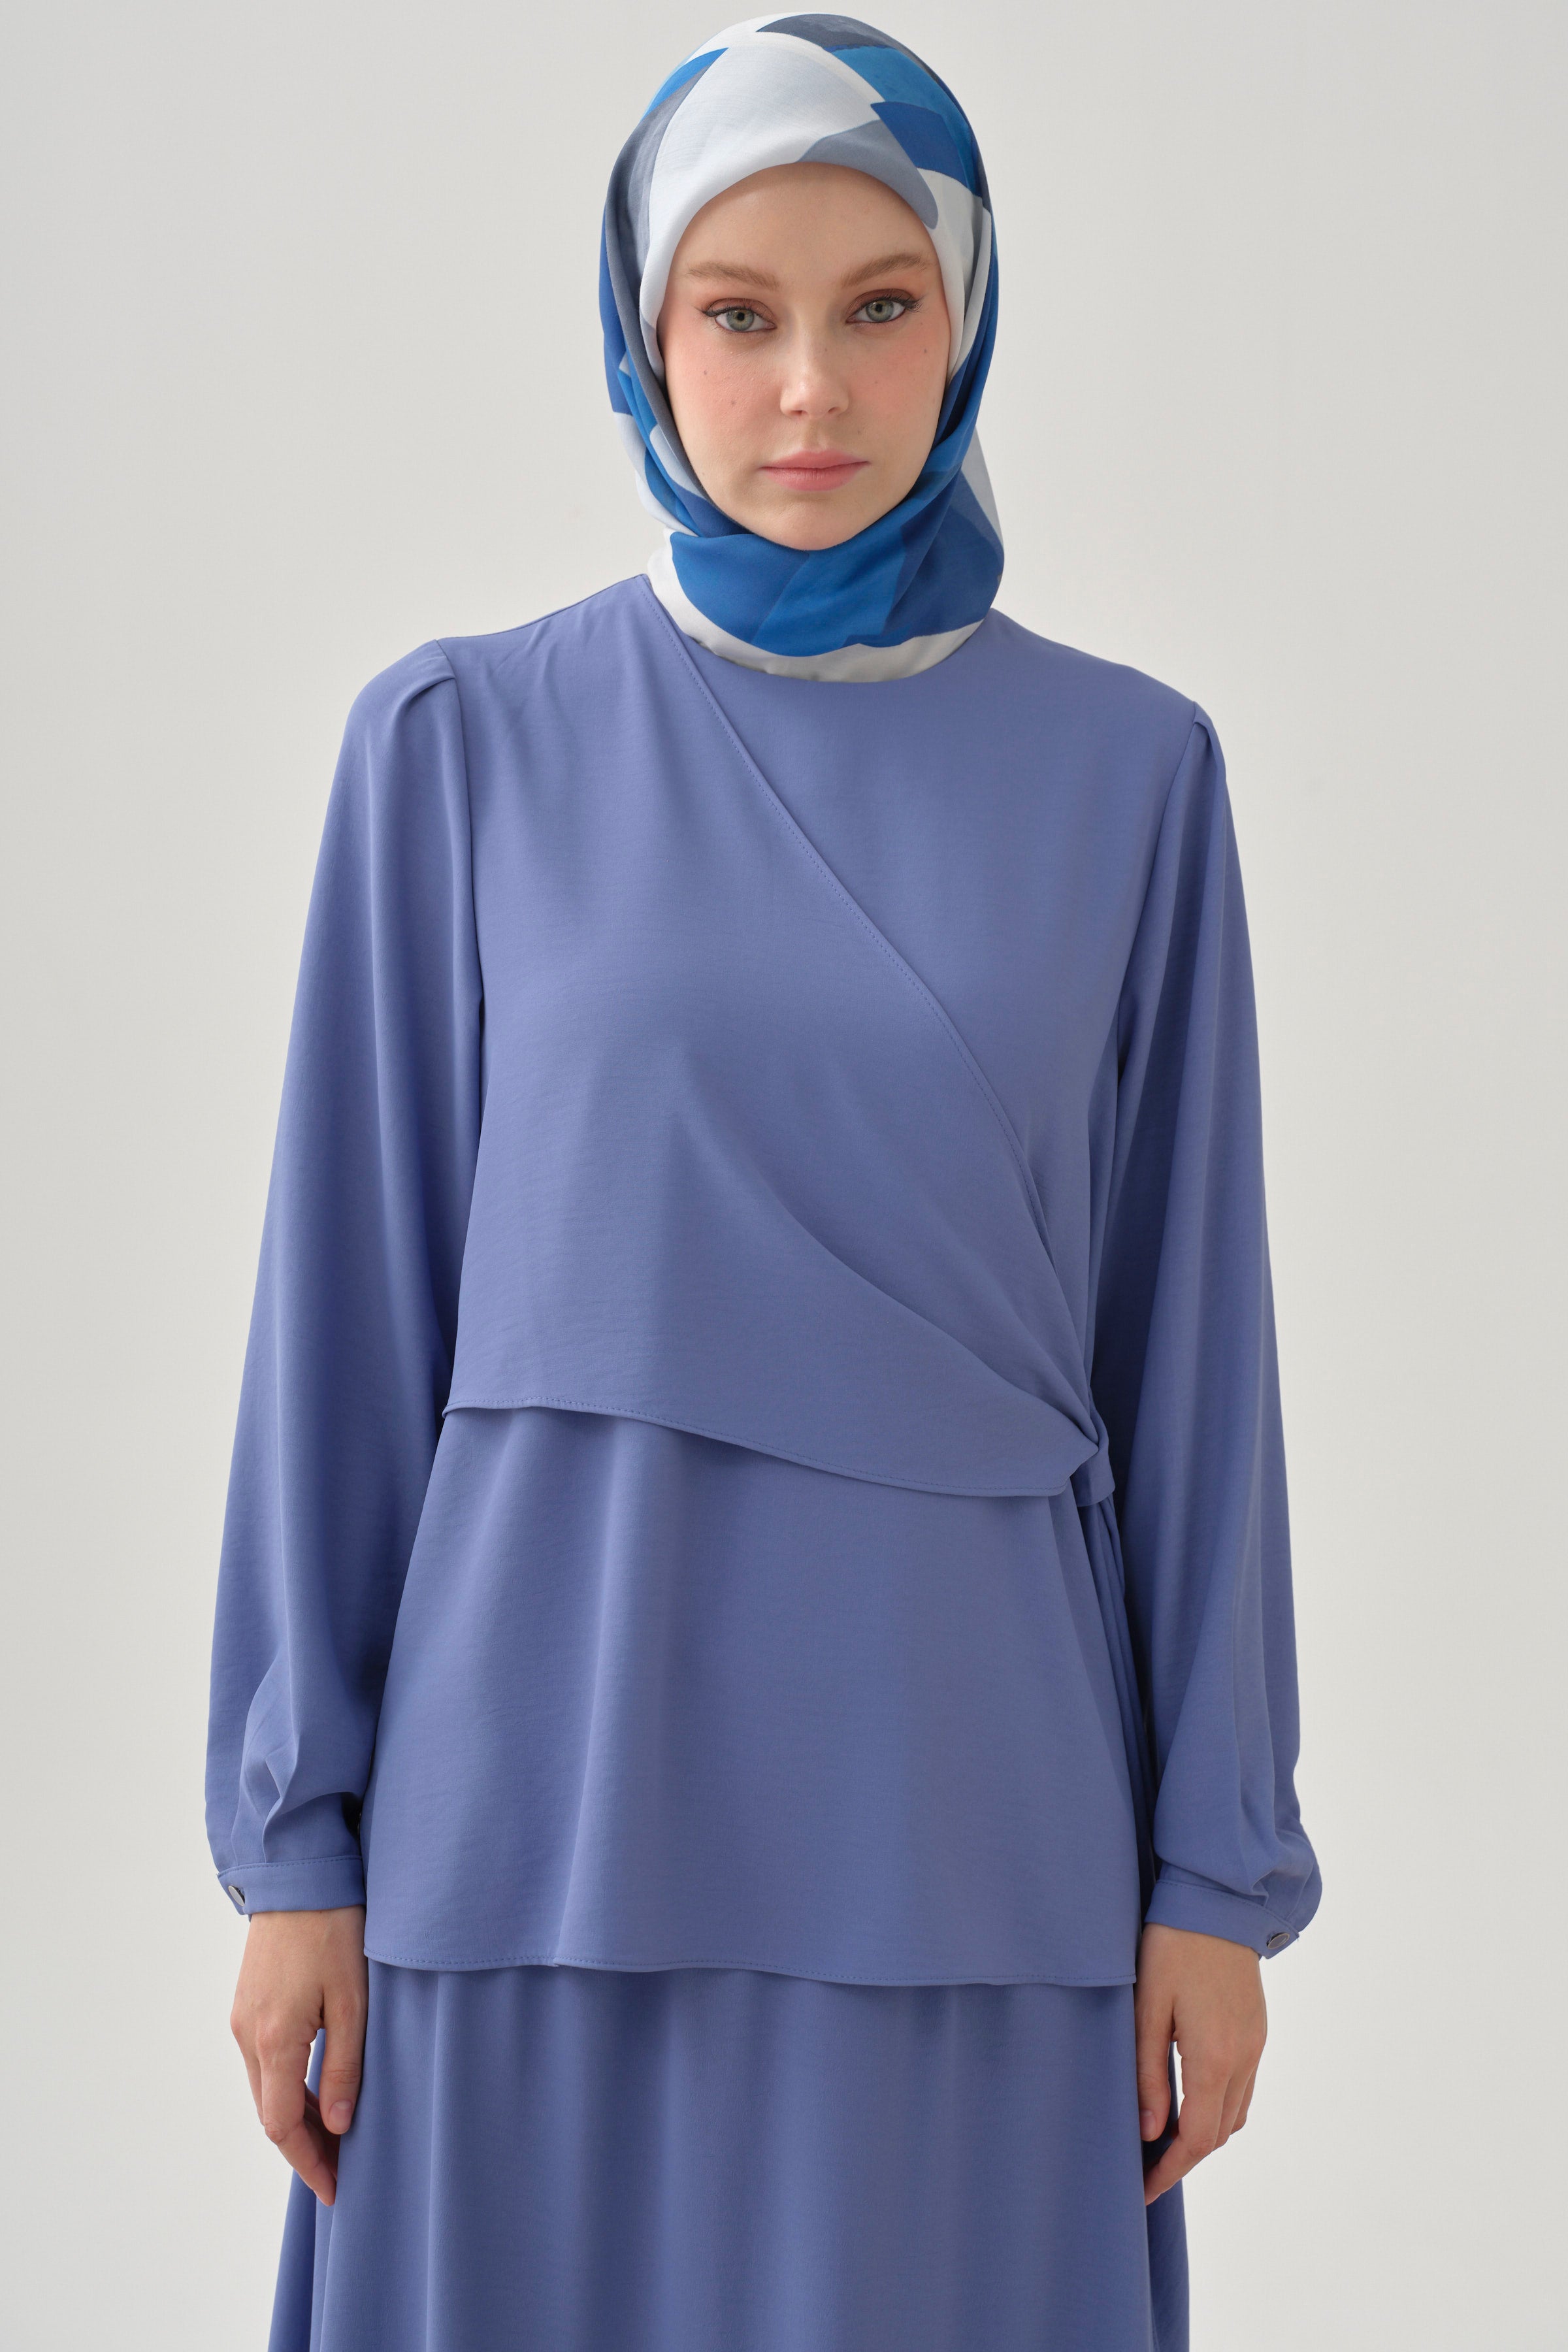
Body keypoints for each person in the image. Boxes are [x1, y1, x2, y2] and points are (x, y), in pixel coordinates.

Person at [208, 18, 1321, 2351]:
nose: (810, 385)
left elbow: (1193, 1356)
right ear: (647, 335)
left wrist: (1214, 1878)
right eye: (739, 312)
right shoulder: (457, 747)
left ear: (967, 317)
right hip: (536, 1826)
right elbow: (348, 1328)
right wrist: (293, 1847)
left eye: (879, 305)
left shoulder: (1135, 779)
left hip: (963, 1831)